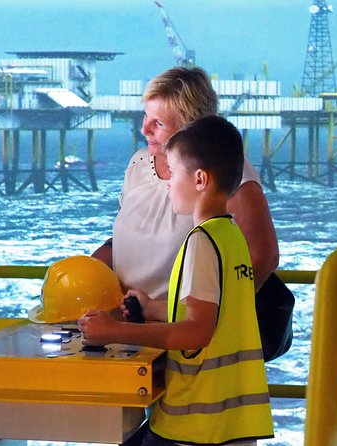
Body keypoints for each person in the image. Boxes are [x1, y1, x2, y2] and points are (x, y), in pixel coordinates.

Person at [79, 115, 274, 445]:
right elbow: (218, 316)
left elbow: (198, 330)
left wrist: (114, 331)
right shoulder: (232, 237)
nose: (167, 183)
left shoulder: (200, 242)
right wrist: (153, 308)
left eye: (173, 172)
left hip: (194, 423)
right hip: (233, 422)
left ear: (199, 179)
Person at [92, 66, 279, 298]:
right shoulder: (138, 163)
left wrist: (200, 315)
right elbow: (128, 241)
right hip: (127, 320)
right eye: (145, 116)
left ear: (192, 129)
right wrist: (86, 269)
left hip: (182, 329)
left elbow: (262, 258)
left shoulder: (229, 171)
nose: (144, 129)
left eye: (158, 123)